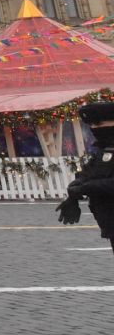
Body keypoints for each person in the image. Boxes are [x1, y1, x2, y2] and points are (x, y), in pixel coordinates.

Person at [59, 100, 114, 253]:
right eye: (91, 126)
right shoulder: (103, 150)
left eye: (98, 124)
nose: (94, 129)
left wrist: (87, 187)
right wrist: (75, 188)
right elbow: (91, 173)